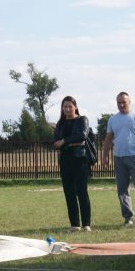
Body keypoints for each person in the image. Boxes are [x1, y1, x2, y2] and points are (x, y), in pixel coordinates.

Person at [101, 91, 135, 226]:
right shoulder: (112, 120)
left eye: (124, 102)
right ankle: (128, 217)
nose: (121, 105)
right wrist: (104, 156)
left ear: (129, 102)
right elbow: (108, 140)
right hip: (118, 158)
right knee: (122, 189)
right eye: (119, 102)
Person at [52, 95, 92, 232]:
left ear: (75, 107)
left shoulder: (82, 120)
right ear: (62, 109)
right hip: (65, 161)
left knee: (82, 191)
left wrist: (64, 141)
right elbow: (55, 142)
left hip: (80, 160)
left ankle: (86, 224)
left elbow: (82, 136)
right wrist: (71, 142)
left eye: (70, 106)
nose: (67, 109)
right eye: (65, 106)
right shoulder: (60, 124)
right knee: (69, 192)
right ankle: (75, 224)